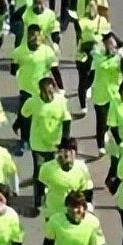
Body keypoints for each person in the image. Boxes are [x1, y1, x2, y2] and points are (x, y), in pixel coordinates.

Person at [10, 25, 61, 154]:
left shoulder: (47, 52)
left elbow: (54, 69)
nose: (34, 38)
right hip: (25, 89)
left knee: (39, 115)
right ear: (27, 36)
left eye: (37, 35)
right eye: (31, 35)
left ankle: (41, 138)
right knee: (25, 115)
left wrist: (61, 88)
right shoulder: (19, 52)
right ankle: (24, 141)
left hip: (42, 90)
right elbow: (13, 71)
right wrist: (15, 65)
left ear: (41, 37)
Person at [20, 76, 72, 205]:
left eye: (50, 92)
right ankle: (38, 201)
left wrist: (65, 141)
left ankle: (54, 196)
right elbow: (24, 115)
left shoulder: (61, 101)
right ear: (40, 91)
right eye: (45, 92)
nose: (48, 95)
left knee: (53, 171)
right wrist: (24, 135)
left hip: (55, 144)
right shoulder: (33, 102)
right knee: (39, 171)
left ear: (54, 89)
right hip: (38, 144)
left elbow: (67, 121)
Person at [73, 0, 121, 117]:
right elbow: (79, 37)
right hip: (83, 55)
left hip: (97, 56)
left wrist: (120, 44)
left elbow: (108, 35)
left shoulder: (102, 21)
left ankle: (87, 88)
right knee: (83, 80)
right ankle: (83, 106)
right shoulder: (81, 22)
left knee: (92, 78)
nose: (91, 8)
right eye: (89, 6)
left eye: (93, 6)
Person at [90, 33, 123, 157]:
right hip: (101, 94)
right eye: (107, 43)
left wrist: (121, 57)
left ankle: (118, 142)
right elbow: (102, 65)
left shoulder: (120, 57)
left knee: (114, 121)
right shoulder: (98, 54)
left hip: (114, 95)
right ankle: (100, 145)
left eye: (112, 43)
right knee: (101, 121)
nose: (110, 45)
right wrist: (115, 56)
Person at [36, 137, 94, 219]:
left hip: (73, 212)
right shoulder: (47, 167)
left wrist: (87, 206)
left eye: (73, 151)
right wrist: (40, 205)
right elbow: (40, 185)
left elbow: (87, 190)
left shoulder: (82, 167)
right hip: (53, 211)